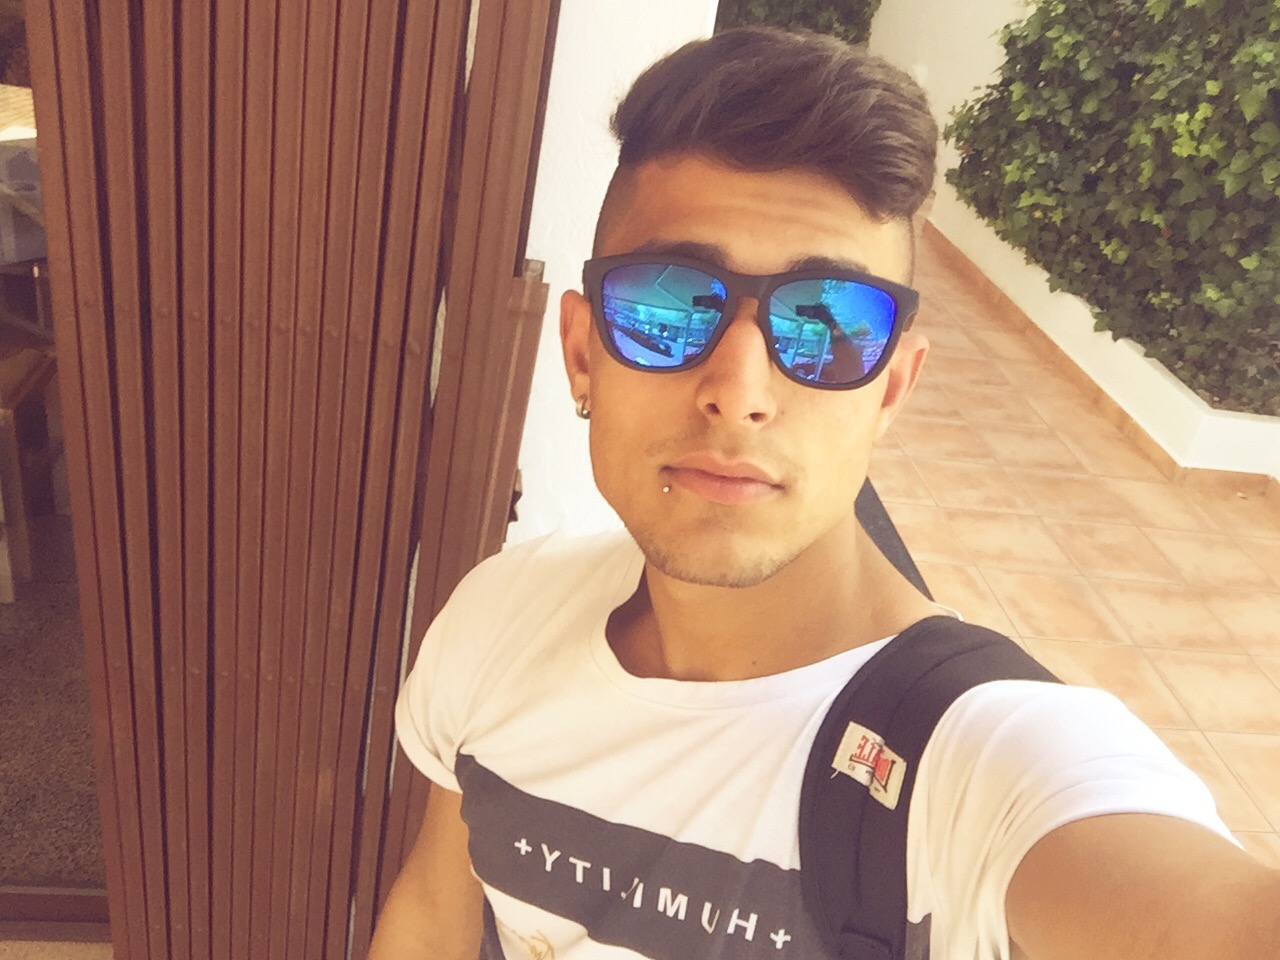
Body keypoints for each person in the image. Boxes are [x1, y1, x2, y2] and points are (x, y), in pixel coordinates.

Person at [368, 26, 1280, 960]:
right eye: (669, 304)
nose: (739, 393)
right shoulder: (499, 623)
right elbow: (436, 912)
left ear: (891, 391)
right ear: (580, 354)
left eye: (828, 327)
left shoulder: (975, 760)